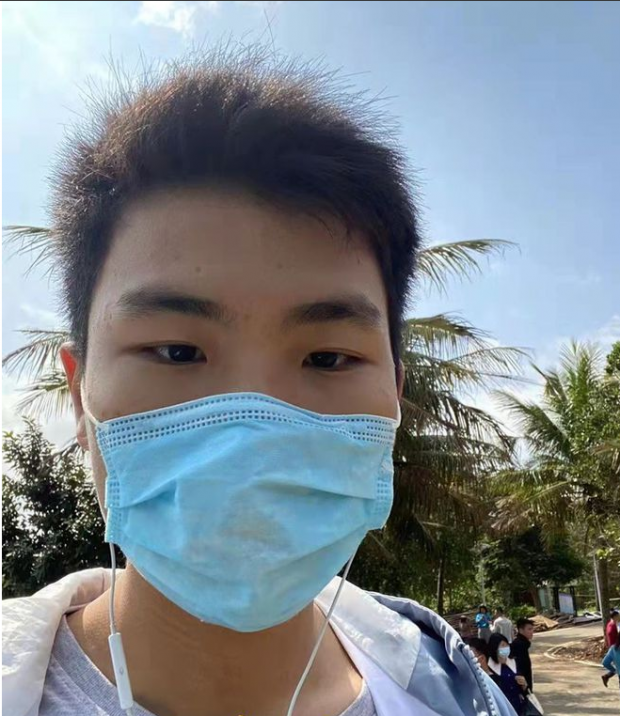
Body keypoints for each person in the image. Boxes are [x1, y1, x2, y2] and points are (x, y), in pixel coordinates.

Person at [1, 48, 516, 716]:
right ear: (80, 395)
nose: (253, 427)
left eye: (326, 359)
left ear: (394, 394)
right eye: (178, 351)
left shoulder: (458, 695)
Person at [487, 634, 528, 715]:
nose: (506, 648)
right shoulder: (489, 667)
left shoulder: (514, 662)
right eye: (502, 645)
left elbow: (524, 689)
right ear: (495, 648)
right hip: (503, 708)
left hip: (518, 706)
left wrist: (524, 685)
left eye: (507, 645)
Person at [510, 617, 535, 692]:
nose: (532, 632)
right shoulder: (519, 645)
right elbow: (520, 666)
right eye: (529, 629)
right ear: (521, 630)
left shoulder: (523, 644)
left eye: (532, 629)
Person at [602, 610, 620, 687]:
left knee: (618, 667)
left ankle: (609, 675)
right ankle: (608, 675)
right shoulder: (610, 624)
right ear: (614, 617)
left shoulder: (617, 624)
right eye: (618, 616)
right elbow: (607, 635)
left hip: (616, 648)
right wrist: (606, 643)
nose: (619, 617)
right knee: (605, 663)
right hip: (612, 648)